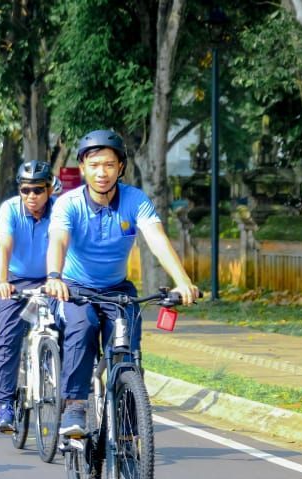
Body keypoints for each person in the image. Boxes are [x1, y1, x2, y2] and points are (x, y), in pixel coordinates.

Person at [44, 130, 199, 438]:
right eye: (95, 164)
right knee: (83, 329)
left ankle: (128, 425)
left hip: (117, 291)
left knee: (127, 349)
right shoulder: (68, 203)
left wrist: (183, 282)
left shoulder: (135, 200)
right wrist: (54, 276)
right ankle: (75, 405)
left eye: (109, 165)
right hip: (75, 290)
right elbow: (58, 241)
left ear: (121, 168)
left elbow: (156, 239)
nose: (102, 172)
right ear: (83, 168)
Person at [0, 160, 56, 432]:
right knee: (8, 337)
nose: (31, 196)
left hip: (51, 280)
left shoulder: (60, 210)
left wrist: (58, 279)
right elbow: (4, 246)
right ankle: (5, 404)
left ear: (49, 190)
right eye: (26, 190)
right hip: (14, 281)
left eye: (38, 190)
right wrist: (2, 281)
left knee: (69, 330)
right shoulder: (9, 209)